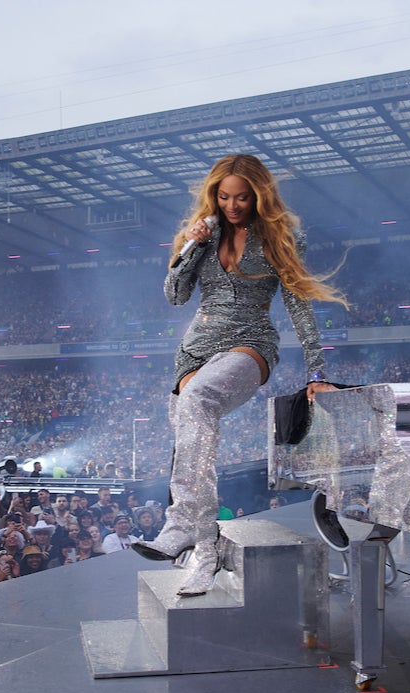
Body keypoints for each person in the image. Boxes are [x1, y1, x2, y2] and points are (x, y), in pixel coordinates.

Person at [132, 154, 345, 596]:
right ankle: (203, 550)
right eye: (224, 197)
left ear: (259, 195)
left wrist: (316, 370)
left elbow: (298, 304)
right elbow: (176, 296)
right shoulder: (204, 234)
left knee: (195, 404)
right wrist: (191, 245)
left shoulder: (281, 236)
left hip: (251, 342)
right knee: (192, 441)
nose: (232, 205)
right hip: (194, 350)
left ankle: (180, 526)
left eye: (242, 197)